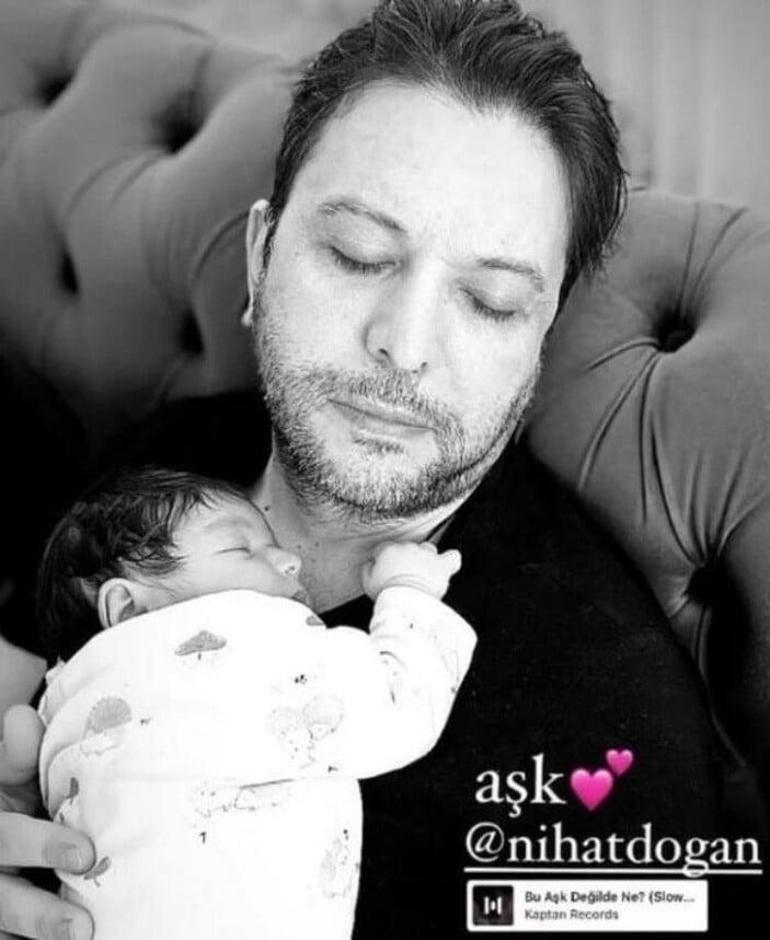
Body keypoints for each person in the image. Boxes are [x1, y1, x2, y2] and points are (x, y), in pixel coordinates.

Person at [0, 2, 726, 938]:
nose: (405, 346)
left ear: (538, 341)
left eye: (491, 301)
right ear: (260, 258)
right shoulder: (170, 469)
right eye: (358, 255)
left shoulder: (609, 740)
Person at [35, 466, 473, 939]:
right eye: (241, 549)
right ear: (127, 608)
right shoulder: (236, 652)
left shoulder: (62, 709)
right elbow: (397, 709)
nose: (290, 560)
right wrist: (409, 592)